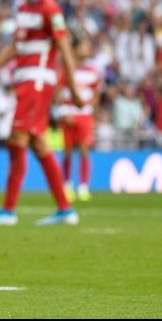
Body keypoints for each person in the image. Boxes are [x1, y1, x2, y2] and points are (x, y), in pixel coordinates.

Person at [0, 0, 84, 227]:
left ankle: (8, 210)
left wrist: (73, 88)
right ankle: (65, 209)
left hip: (37, 82)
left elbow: (66, 50)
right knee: (37, 143)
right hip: (24, 82)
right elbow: (16, 46)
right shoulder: (23, 9)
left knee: (17, 139)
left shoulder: (51, 9)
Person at [56, 36, 101, 202]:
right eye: (83, 46)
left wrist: (92, 116)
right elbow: (58, 94)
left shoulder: (92, 72)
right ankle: (67, 185)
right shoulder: (67, 70)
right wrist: (63, 112)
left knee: (84, 151)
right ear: (74, 50)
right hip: (69, 115)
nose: (86, 49)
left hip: (84, 116)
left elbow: (95, 96)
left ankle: (83, 187)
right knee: (67, 152)